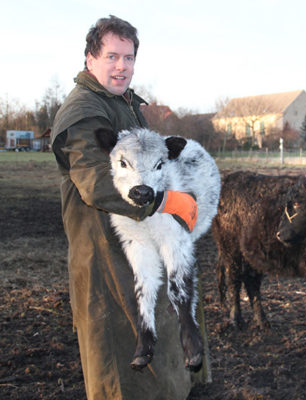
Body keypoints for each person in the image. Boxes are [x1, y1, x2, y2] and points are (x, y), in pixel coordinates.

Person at [51, 15, 208, 400]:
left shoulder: (121, 104)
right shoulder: (85, 111)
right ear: (90, 59)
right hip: (107, 256)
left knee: (164, 356)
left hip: (139, 241)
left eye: (129, 57)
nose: (122, 66)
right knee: (124, 370)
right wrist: (165, 201)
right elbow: (96, 181)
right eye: (112, 56)